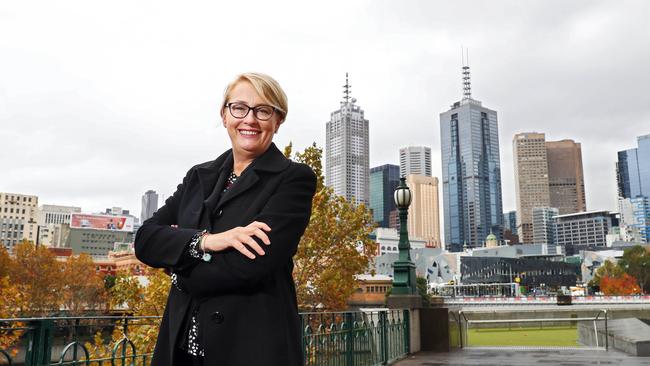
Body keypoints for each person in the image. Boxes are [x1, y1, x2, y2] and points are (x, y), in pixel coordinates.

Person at [135, 72, 317, 366]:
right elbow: (145, 240)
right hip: (180, 347)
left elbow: (249, 266)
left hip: (250, 348)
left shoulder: (293, 179)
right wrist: (207, 242)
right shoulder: (199, 176)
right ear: (224, 115)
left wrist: (176, 265)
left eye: (263, 110)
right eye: (239, 108)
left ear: (277, 120)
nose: (250, 119)